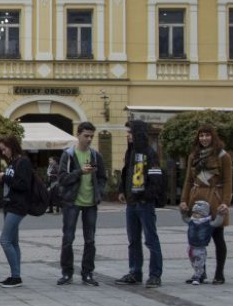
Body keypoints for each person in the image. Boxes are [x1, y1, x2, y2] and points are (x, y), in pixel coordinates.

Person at [180, 124, 232, 284]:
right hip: (196, 198)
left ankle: (219, 274)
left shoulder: (223, 156)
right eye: (201, 135)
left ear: (213, 136)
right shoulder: (193, 156)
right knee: (196, 239)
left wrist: (225, 202)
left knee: (217, 236)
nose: (204, 138)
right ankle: (200, 272)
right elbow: (188, 180)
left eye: (207, 135)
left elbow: (228, 181)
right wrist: (183, 200)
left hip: (215, 198)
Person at [56, 121, 107, 287]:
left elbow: (102, 177)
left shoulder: (95, 155)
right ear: (78, 135)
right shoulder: (69, 155)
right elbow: (62, 178)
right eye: (86, 136)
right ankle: (67, 273)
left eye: (92, 136)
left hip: (90, 202)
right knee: (68, 239)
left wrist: (99, 191)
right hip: (72, 202)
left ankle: (87, 274)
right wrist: (80, 172)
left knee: (90, 240)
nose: (89, 139)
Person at [115, 120, 164, 288]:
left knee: (151, 240)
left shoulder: (150, 153)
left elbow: (156, 179)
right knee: (133, 240)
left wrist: (146, 196)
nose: (127, 135)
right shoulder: (131, 152)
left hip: (144, 203)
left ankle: (155, 275)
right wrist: (122, 190)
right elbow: (126, 173)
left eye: (130, 132)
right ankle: (135, 272)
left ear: (138, 134)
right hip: (131, 203)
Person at [0, 135, 31, 288]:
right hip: (9, 204)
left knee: (5, 240)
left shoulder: (23, 162)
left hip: (18, 205)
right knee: (13, 242)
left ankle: (16, 277)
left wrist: (4, 178)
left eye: (5, 149)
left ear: (13, 146)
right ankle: (15, 275)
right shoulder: (12, 163)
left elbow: (23, 184)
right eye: (1, 150)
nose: (3, 152)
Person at [181, 200, 226, 285]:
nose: (195, 215)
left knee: (199, 262)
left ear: (204, 214)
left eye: (198, 213)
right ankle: (198, 273)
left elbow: (217, 223)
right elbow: (185, 218)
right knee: (194, 262)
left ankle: (198, 277)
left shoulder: (207, 223)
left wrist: (220, 214)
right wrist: (183, 213)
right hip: (191, 247)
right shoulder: (192, 221)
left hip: (200, 248)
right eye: (194, 213)